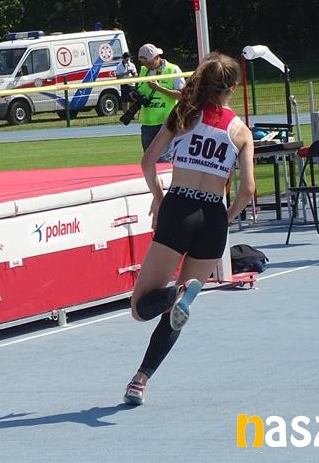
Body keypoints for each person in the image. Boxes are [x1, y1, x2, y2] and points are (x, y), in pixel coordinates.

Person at [123, 52, 255, 406]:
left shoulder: (183, 113)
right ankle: (140, 380)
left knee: (140, 307)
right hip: (213, 216)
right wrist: (226, 218)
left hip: (179, 206)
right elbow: (247, 190)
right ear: (232, 88)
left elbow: (148, 160)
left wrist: (158, 197)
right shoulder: (241, 131)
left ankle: (173, 295)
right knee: (179, 312)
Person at [135, 44, 185, 162]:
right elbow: (141, 91)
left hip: (166, 123)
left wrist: (159, 88)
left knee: (163, 160)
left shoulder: (173, 69)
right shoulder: (143, 71)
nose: (147, 66)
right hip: (147, 124)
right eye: (144, 63)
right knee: (149, 161)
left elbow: (182, 95)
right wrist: (134, 95)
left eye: (149, 63)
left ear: (157, 57)